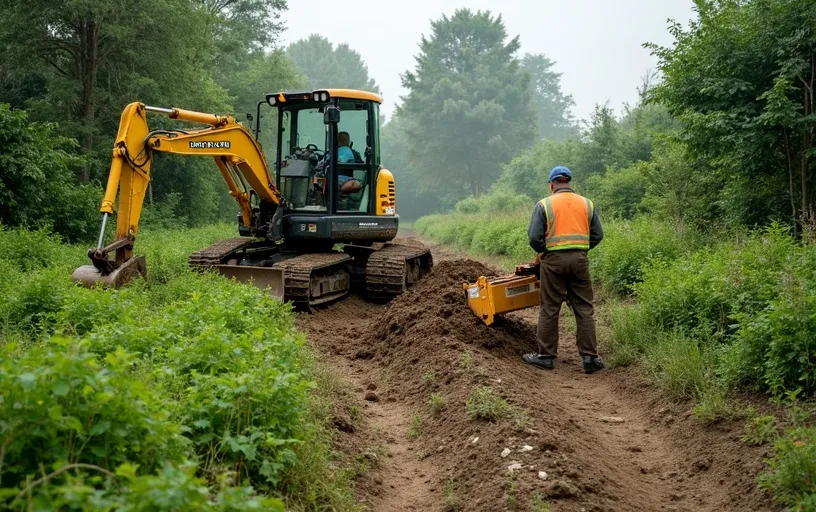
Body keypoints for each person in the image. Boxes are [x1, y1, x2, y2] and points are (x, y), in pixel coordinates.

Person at [523, 166, 605, 374]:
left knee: (550, 307)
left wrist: (545, 251)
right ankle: (589, 358)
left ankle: (545, 356)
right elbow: (597, 235)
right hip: (579, 259)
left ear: (552, 184)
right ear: (568, 182)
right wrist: (580, 249)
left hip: (553, 261)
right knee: (584, 308)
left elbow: (534, 237)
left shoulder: (544, 205)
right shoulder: (587, 204)